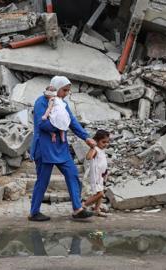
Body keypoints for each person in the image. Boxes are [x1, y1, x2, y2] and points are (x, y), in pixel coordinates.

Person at [29, 75, 96, 222]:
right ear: (57, 88)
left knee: (72, 175)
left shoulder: (62, 104)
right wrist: (62, 125)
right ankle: (34, 212)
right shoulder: (41, 102)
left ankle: (77, 209)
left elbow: (72, 121)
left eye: (67, 90)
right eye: (64, 90)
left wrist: (86, 137)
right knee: (43, 181)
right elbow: (42, 124)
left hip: (60, 147)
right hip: (44, 147)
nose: (66, 93)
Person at [83, 130, 110, 217]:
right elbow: (88, 157)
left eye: (107, 142)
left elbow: (102, 163)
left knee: (100, 192)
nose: (105, 144)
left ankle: (97, 210)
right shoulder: (95, 149)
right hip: (94, 176)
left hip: (100, 175)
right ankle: (82, 206)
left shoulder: (102, 150)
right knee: (100, 194)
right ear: (97, 141)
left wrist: (106, 173)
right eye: (103, 142)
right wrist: (92, 147)